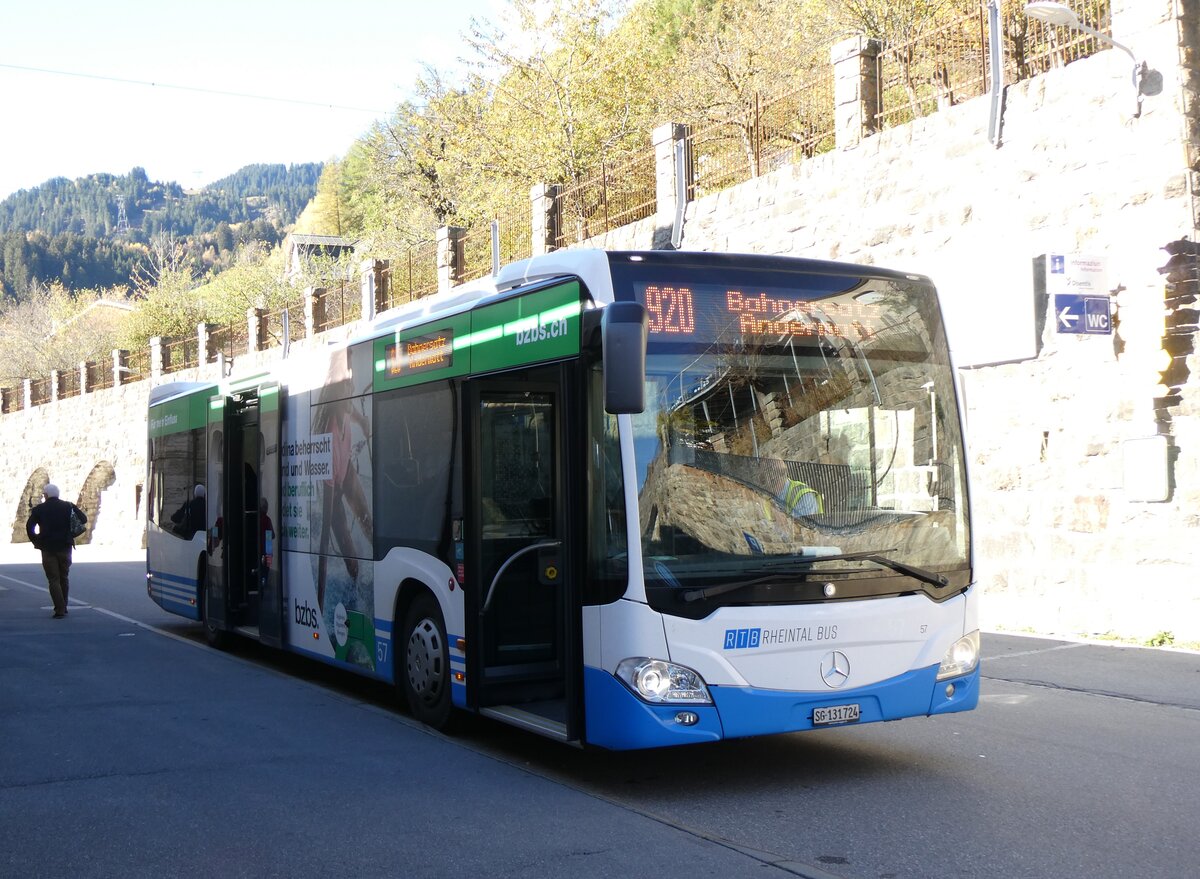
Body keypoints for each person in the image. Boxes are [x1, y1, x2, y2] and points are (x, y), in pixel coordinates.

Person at [25, 483, 87, 619]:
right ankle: (64, 606)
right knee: (64, 577)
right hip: (65, 546)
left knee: (53, 579)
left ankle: (60, 609)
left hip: (48, 548)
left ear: (46, 495)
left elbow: (30, 527)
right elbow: (83, 519)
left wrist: (36, 540)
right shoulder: (68, 506)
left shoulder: (40, 509)